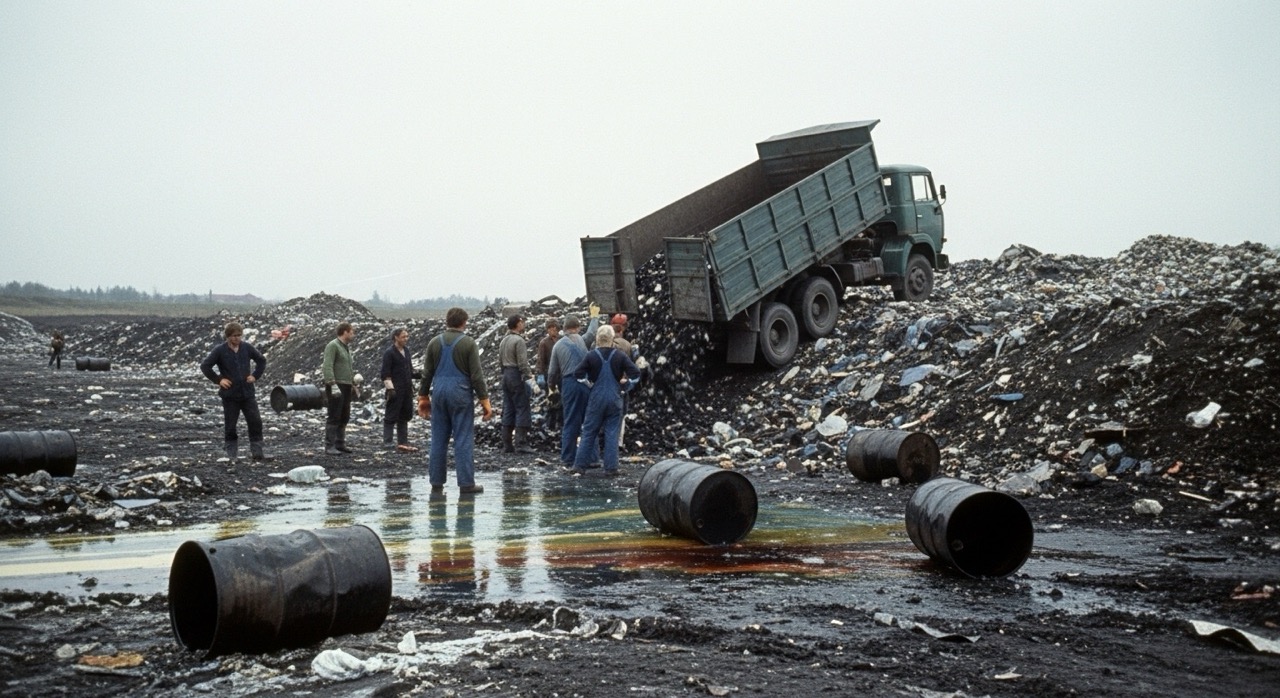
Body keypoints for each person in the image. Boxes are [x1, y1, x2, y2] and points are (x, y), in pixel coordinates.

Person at [417, 307, 493, 494]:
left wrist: (423, 397)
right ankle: (466, 484)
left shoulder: (435, 343)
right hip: (460, 392)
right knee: (463, 438)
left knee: (438, 438)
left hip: (439, 392)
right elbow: (476, 375)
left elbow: (426, 374)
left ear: (447, 322)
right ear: (464, 322)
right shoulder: (468, 343)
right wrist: (485, 401)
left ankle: (436, 483)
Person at [570, 324, 640, 477]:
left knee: (588, 431)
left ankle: (579, 467)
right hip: (615, 398)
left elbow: (578, 374)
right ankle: (611, 468)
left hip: (596, 398)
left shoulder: (591, 356)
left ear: (597, 339)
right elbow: (636, 373)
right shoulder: (620, 355)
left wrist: (588, 384)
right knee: (612, 433)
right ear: (612, 338)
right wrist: (626, 386)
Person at [200, 321, 271, 462]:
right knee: (231, 425)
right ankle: (231, 455)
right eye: (233, 336)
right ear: (227, 336)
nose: (237, 338)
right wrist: (219, 379)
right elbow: (205, 366)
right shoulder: (219, 350)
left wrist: (255, 376)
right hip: (230, 395)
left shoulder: (247, 348)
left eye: (239, 335)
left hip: (247, 394)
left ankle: (258, 453)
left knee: (255, 422)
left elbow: (261, 361)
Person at [547, 315, 590, 467]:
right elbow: (592, 333)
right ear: (577, 327)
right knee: (589, 421)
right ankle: (592, 458)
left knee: (571, 420)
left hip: (569, 383)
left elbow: (552, 372)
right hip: (585, 382)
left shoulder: (558, 346)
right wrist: (595, 317)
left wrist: (551, 388)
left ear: (564, 329)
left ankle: (568, 457)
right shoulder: (583, 340)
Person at [498, 314, 539, 454]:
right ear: (518, 324)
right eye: (522, 321)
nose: (524, 323)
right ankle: (521, 443)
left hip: (505, 375)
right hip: (516, 375)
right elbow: (522, 363)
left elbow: (500, 362)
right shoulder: (519, 341)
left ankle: (507, 444)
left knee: (508, 407)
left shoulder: (503, 341)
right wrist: (530, 379)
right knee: (522, 406)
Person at [322, 321, 358, 456]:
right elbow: (327, 365)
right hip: (336, 385)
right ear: (345, 332)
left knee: (344, 415)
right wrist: (332, 383)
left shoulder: (345, 348)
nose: (353, 334)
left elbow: (347, 367)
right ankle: (329, 445)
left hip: (346, 385)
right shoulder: (333, 346)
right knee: (334, 415)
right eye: (352, 332)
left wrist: (353, 383)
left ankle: (340, 443)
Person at [380, 327, 418, 453]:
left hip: (407, 389)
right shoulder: (389, 353)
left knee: (405, 415)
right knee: (391, 415)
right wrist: (390, 388)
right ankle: (388, 441)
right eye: (403, 337)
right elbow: (385, 373)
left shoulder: (406, 351)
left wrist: (420, 374)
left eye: (407, 336)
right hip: (395, 389)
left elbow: (410, 370)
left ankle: (403, 441)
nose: (406, 339)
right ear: (396, 337)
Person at [535, 318, 562, 434]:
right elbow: (541, 360)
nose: (552, 330)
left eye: (554, 328)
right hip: (549, 376)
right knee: (551, 400)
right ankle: (550, 425)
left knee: (562, 401)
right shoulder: (544, 343)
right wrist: (540, 375)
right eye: (550, 328)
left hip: (562, 375)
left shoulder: (562, 340)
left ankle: (560, 424)